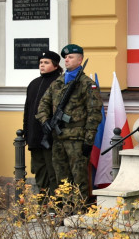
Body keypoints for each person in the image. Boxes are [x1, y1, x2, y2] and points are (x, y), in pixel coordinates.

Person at [36, 44, 104, 209]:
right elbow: (43, 105)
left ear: (80, 59)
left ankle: (80, 211)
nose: (66, 60)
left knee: (79, 177)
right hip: (58, 138)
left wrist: (89, 140)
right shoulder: (57, 82)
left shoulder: (87, 84)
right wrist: (46, 122)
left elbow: (94, 113)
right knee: (62, 178)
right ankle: (66, 210)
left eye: (71, 57)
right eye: (65, 57)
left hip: (77, 139)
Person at [22, 50, 63, 197]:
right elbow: (27, 111)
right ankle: (42, 204)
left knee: (53, 172)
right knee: (39, 172)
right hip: (35, 136)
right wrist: (27, 133)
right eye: (41, 62)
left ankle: (54, 205)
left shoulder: (59, 83)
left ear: (56, 65)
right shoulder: (33, 84)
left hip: (51, 136)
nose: (42, 65)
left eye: (46, 62)